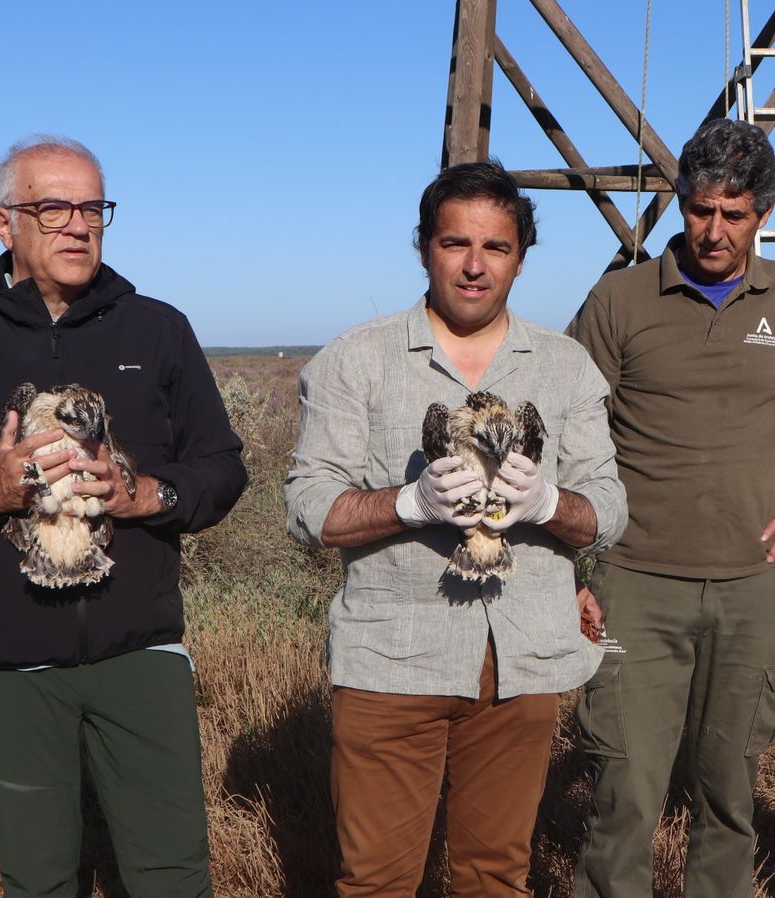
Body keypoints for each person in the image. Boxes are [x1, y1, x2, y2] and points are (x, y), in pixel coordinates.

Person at [0, 135, 246, 898]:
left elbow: (223, 468)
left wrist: (145, 496)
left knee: (173, 877)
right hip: (3, 663)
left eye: (93, 206)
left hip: (142, 653)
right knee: (38, 881)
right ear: (6, 225)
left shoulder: (158, 330)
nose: (80, 224)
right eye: (55, 207)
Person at [284, 159, 626, 898]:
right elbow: (309, 508)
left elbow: (608, 514)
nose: (474, 267)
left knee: (496, 878)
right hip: (390, 660)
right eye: (454, 245)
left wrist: (548, 503)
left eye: (495, 248)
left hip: (524, 662)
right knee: (375, 881)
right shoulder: (357, 359)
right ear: (424, 248)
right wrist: (408, 505)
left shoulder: (567, 369)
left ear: (521, 258)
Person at [566, 118, 775, 898]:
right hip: (636, 581)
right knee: (623, 796)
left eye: (733, 215)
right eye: (700, 210)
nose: (713, 230)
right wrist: (568, 568)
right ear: (679, 204)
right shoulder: (620, 299)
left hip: (750, 586)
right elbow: (562, 423)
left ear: (762, 216)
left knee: (728, 798)